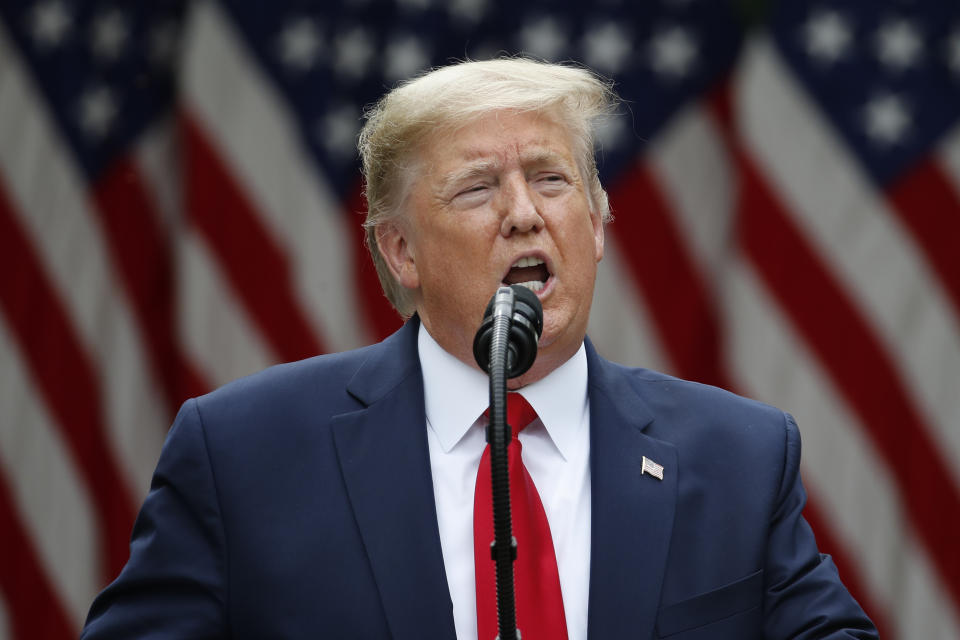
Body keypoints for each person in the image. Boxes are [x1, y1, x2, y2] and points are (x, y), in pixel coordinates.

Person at [81, 58, 878, 640]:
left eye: (553, 180)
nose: (525, 214)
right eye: (476, 188)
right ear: (400, 252)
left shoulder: (738, 455)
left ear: (597, 225)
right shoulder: (243, 455)